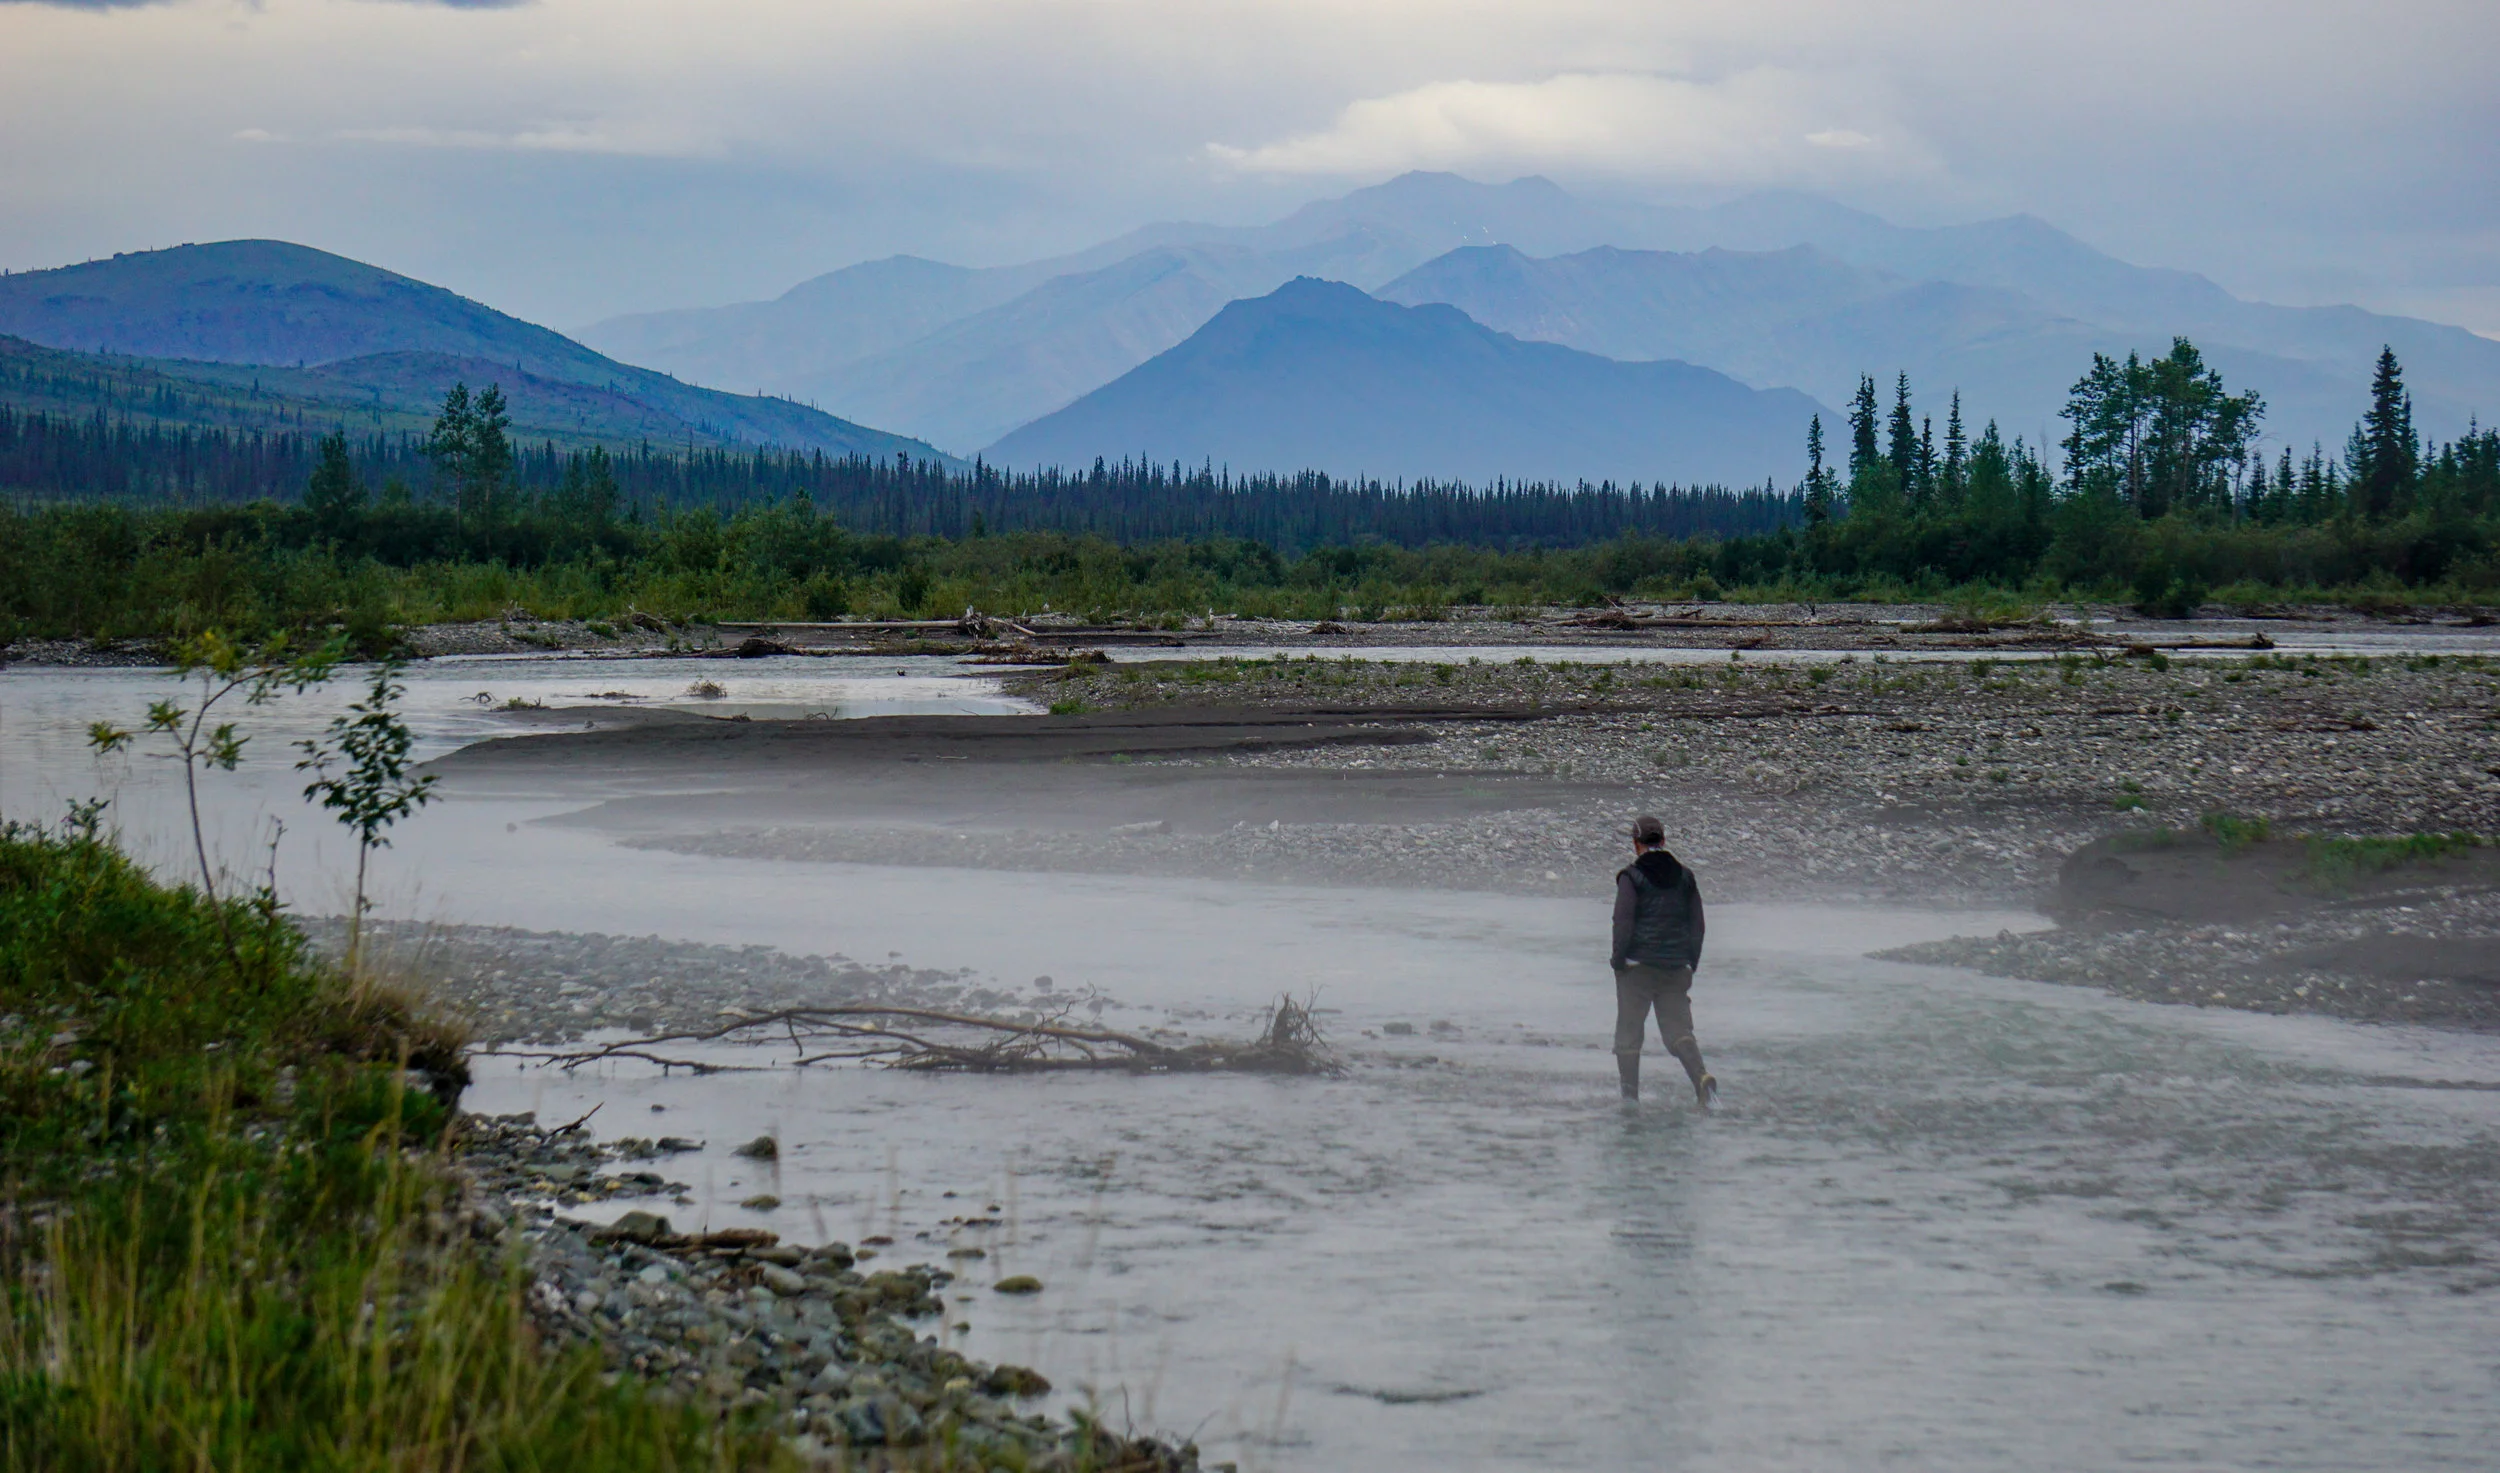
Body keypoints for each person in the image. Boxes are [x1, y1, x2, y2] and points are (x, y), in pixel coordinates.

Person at [1611, 815, 1714, 1108]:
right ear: (1664, 841)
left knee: (1629, 1035)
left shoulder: (1631, 877)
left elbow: (1623, 923)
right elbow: (1698, 925)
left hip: (1637, 968)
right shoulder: (1686, 876)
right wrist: (1690, 962)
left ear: (1636, 844)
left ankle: (1630, 1101)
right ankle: (1702, 1079)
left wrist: (1618, 961)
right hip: (1676, 967)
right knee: (1678, 1031)